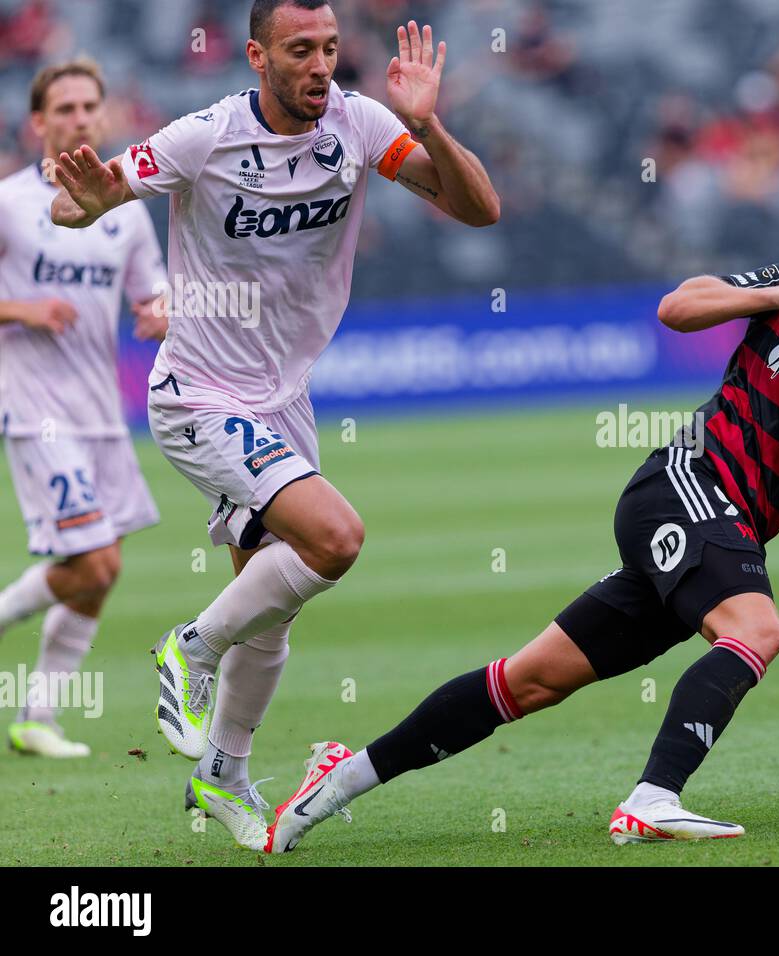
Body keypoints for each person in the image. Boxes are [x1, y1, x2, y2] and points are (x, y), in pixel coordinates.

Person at [266, 196, 779, 854]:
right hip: (682, 484)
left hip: (722, 533)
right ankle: (653, 800)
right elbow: (678, 307)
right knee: (759, 630)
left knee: (528, 682)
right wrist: (772, 300)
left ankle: (341, 775)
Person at [49, 0, 499, 849]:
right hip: (200, 395)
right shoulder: (206, 137)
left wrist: (430, 123)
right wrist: (80, 202)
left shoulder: (362, 125)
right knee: (335, 539)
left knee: (272, 606)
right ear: (258, 55)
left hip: (283, 399)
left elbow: (477, 210)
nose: (320, 66)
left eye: (330, 48)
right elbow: (98, 196)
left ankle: (222, 774)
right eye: (301, 50)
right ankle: (188, 646)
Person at [0, 58, 167, 757]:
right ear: (38, 122)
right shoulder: (9, 203)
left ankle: (39, 716)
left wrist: (161, 313)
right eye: (62, 108)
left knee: (104, 571)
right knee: (92, 562)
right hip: (34, 406)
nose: (77, 117)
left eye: (87, 106)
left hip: (103, 411)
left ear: (104, 115)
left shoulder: (121, 210)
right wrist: (23, 308)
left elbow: (149, 293)